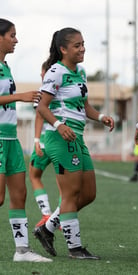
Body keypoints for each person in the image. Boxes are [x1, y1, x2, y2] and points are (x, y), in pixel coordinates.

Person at [35, 27, 114, 259]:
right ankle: (75, 248)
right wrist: (59, 125)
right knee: (70, 194)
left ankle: (46, 228)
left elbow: (84, 106)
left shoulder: (80, 72)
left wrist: (101, 117)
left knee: (88, 193)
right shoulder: (55, 72)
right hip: (60, 138)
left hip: (77, 137)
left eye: (83, 44)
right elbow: (42, 106)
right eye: (77, 45)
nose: (82, 49)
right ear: (63, 49)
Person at [0, 18, 52, 262]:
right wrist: (20, 96)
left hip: (11, 139)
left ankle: (22, 251)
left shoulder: (6, 66)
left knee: (19, 194)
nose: (16, 40)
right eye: (12, 35)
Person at [29, 61, 60, 229]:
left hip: (44, 142)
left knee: (34, 176)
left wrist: (35, 141)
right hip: (61, 141)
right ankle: (57, 217)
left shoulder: (43, 91)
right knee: (63, 182)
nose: (41, 75)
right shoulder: (64, 86)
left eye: (42, 72)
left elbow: (40, 115)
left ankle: (47, 213)